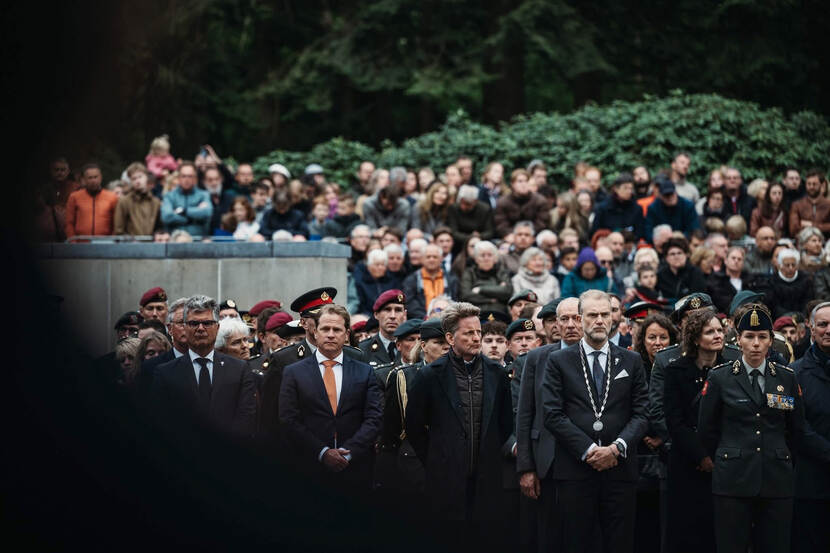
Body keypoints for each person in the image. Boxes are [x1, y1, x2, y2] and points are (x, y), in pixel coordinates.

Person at [698, 303, 829, 553]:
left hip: (776, 478)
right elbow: (707, 429)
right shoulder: (720, 377)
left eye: (761, 337)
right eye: (749, 337)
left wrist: (778, 455)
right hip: (733, 478)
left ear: (771, 341)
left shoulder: (786, 377)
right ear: (738, 340)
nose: (755, 343)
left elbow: (795, 429)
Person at [541, 290, 649, 553]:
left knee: (620, 543)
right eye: (592, 315)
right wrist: (590, 451)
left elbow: (642, 412)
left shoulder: (631, 360)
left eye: (605, 314)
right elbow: (552, 414)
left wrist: (617, 448)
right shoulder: (558, 361)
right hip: (576, 471)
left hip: (620, 469)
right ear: (580, 319)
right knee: (577, 543)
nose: (600, 320)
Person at [406, 302, 514, 529]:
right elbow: (414, 427)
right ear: (450, 338)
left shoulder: (497, 373)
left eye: (478, 332)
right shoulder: (429, 375)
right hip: (445, 479)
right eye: (469, 333)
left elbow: (505, 424)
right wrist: (438, 459)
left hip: (487, 478)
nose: (476, 338)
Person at [279, 304, 383, 495]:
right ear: (315, 332)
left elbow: (374, 419)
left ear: (346, 335)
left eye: (337, 330)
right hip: (309, 468)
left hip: (355, 469)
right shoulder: (294, 372)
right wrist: (323, 452)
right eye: (325, 329)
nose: (330, 334)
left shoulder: (364, 371)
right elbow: (289, 420)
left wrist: (348, 452)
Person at [515, 297, 583, 551]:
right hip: (547, 461)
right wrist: (526, 467)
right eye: (562, 319)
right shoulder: (536, 358)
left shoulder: (601, 356)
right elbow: (525, 413)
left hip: (585, 460)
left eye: (577, 318)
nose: (570, 325)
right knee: (549, 536)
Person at [257, 288, 367, 441]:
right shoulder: (284, 359)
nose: (326, 322)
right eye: (318, 318)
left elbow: (366, 411)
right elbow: (271, 416)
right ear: (303, 323)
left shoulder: (355, 355)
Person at [663, 310, 725, 553]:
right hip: (686, 462)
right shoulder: (675, 371)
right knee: (685, 530)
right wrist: (700, 456)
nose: (718, 335)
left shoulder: (731, 368)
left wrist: (714, 456)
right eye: (710, 331)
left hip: (722, 460)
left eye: (720, 330)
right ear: (696, 338)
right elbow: (674, 420)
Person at [152, 295, 256, 437]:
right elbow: (162, 422)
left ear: (217, 327)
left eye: (207, 323)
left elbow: (246, 418)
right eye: (194, 323)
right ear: (185, 327)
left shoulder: (239, 370)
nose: (200, 329)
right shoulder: (165, 373)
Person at [791, 302, 830, 552]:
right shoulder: (795, 374)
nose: (829, 330)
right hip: (811, 484)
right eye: (824, 324)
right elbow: (798, 426)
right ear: (811, 329)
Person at [402, 244, 460, 320]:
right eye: (428, 257)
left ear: (441, 259)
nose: (431, 259)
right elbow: (409, 303)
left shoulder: (452, 280)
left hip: (447, 320)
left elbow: (456, 300)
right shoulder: (411, 280)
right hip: (420, 321)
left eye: (435, 257)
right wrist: (427, 317)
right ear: (422, 259)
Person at [65, 163, 119, 239]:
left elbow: (117, 223)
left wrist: (112, 241)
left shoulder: (112, 197)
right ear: (84, 179)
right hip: (80, 243)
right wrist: (73, 242)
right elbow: (69, 223)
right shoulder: (74, 197)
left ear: (101, 177)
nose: (93, 180)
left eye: (96, 177)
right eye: (90, 178)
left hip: (105, 243)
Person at [460, 240, 513, 315]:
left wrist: (480, 289)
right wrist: (491, 298)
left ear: (495, 258)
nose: (486, 258)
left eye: (489, 255)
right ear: (476, 259)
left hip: (499, 313)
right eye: (482, 255)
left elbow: (507, 291)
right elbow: (466, 295)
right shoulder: (469, 273)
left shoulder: (501, 272)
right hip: (476, 314)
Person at [160, 161, 212, 237]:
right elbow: (167, 216)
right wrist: (193, 218)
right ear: (179, 178)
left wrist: (183, 211)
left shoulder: (203, 195)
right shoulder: (169, 196)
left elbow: (207, 212)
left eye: (190, 176)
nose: (186, 179)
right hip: (175, 242)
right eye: (183, 176)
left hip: (198, 241)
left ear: (195, 178)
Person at [494, 169, 549, 237]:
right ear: (512, 184)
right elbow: (501, 225)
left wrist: (527, 235)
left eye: (526, 181)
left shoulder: (540, 201)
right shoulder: (502, 202)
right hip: (510, 236)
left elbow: (541, 224)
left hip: (534, 236)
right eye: (520, 181)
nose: (523, 184)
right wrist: (513, 235)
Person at [358, 289, 406, 366]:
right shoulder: (363, 349)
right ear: (376, 314)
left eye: (398, 310)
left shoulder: (411, 347)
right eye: (387, 310)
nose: (392, 316)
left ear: (404, 315)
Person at [591, 172, 645, 239]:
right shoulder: (603, 208)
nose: (629, 191)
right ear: (616, 189)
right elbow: (595, 232)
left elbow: (640, 233)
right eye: (625, 188)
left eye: (631, 188)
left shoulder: (637, 209)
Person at [644, 175, 700, 240]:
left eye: (672, 194)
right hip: (662, 242)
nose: (670, 197)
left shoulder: (688, 206)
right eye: (666, 195)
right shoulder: (653, 208)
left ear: (676, 193)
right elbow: (648, 232)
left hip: (684, 241)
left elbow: (694, 229)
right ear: (660, 196)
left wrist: (681, 237)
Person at [114, 163, 162, 236]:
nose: (137, 181)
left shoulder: (155, 202)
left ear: (146, 177)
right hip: (131, 245)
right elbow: (119, 230)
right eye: (134, 178)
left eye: (140, 177)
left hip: (151, 244)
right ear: (130, 181)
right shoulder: (124, 202)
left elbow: (159, 228)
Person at [766, 248, 815, 318]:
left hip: (802, 319)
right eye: (787, 265)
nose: (791, 268)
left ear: (798, 265)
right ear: (780, 266)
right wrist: (789, 317)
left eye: (793, 265)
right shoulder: (771, 281)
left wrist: (799, 317)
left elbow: (808, 303)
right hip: (779, 319)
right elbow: (773, 305)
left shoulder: (806, 280)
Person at [657, 237, 707, 304]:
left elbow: (699, 298)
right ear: (666, 258)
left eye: (679, 253)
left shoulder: (695, 273)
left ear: (686, 255)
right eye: (672, 254)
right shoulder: (661, 275)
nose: (676, 256)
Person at [707, 246, 751, 314]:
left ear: (743, 263)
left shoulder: (750, 280)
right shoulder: (715, 279)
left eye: (739, 259)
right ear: (725, 260)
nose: (736, 261)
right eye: (733, 258)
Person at [789, 169, 830, 238]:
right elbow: (793, 230)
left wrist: (811, 225)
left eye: (814, 184)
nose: (811, 187)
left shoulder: (828, 204)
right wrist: (823, 226)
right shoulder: (797, 205)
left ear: (822, 185)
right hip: (802, 243)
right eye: (809, 184)